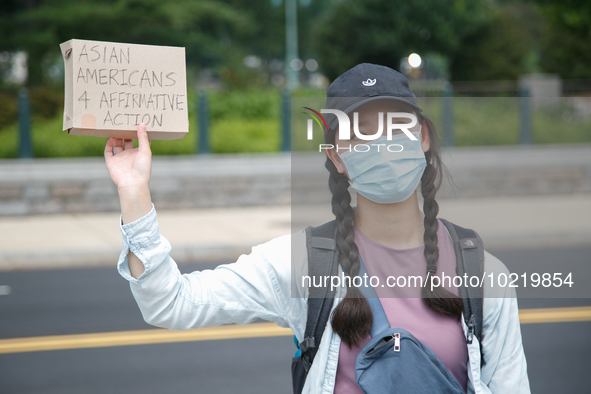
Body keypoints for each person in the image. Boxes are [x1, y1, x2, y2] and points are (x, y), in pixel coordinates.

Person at [104, 63, 530, 394]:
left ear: (422, 138)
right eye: (360, 132)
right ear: (338, 158)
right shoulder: (303, 263)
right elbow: (172, 304)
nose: (380, 144)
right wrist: (134, 191)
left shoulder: (483, 272)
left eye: (396, 126)